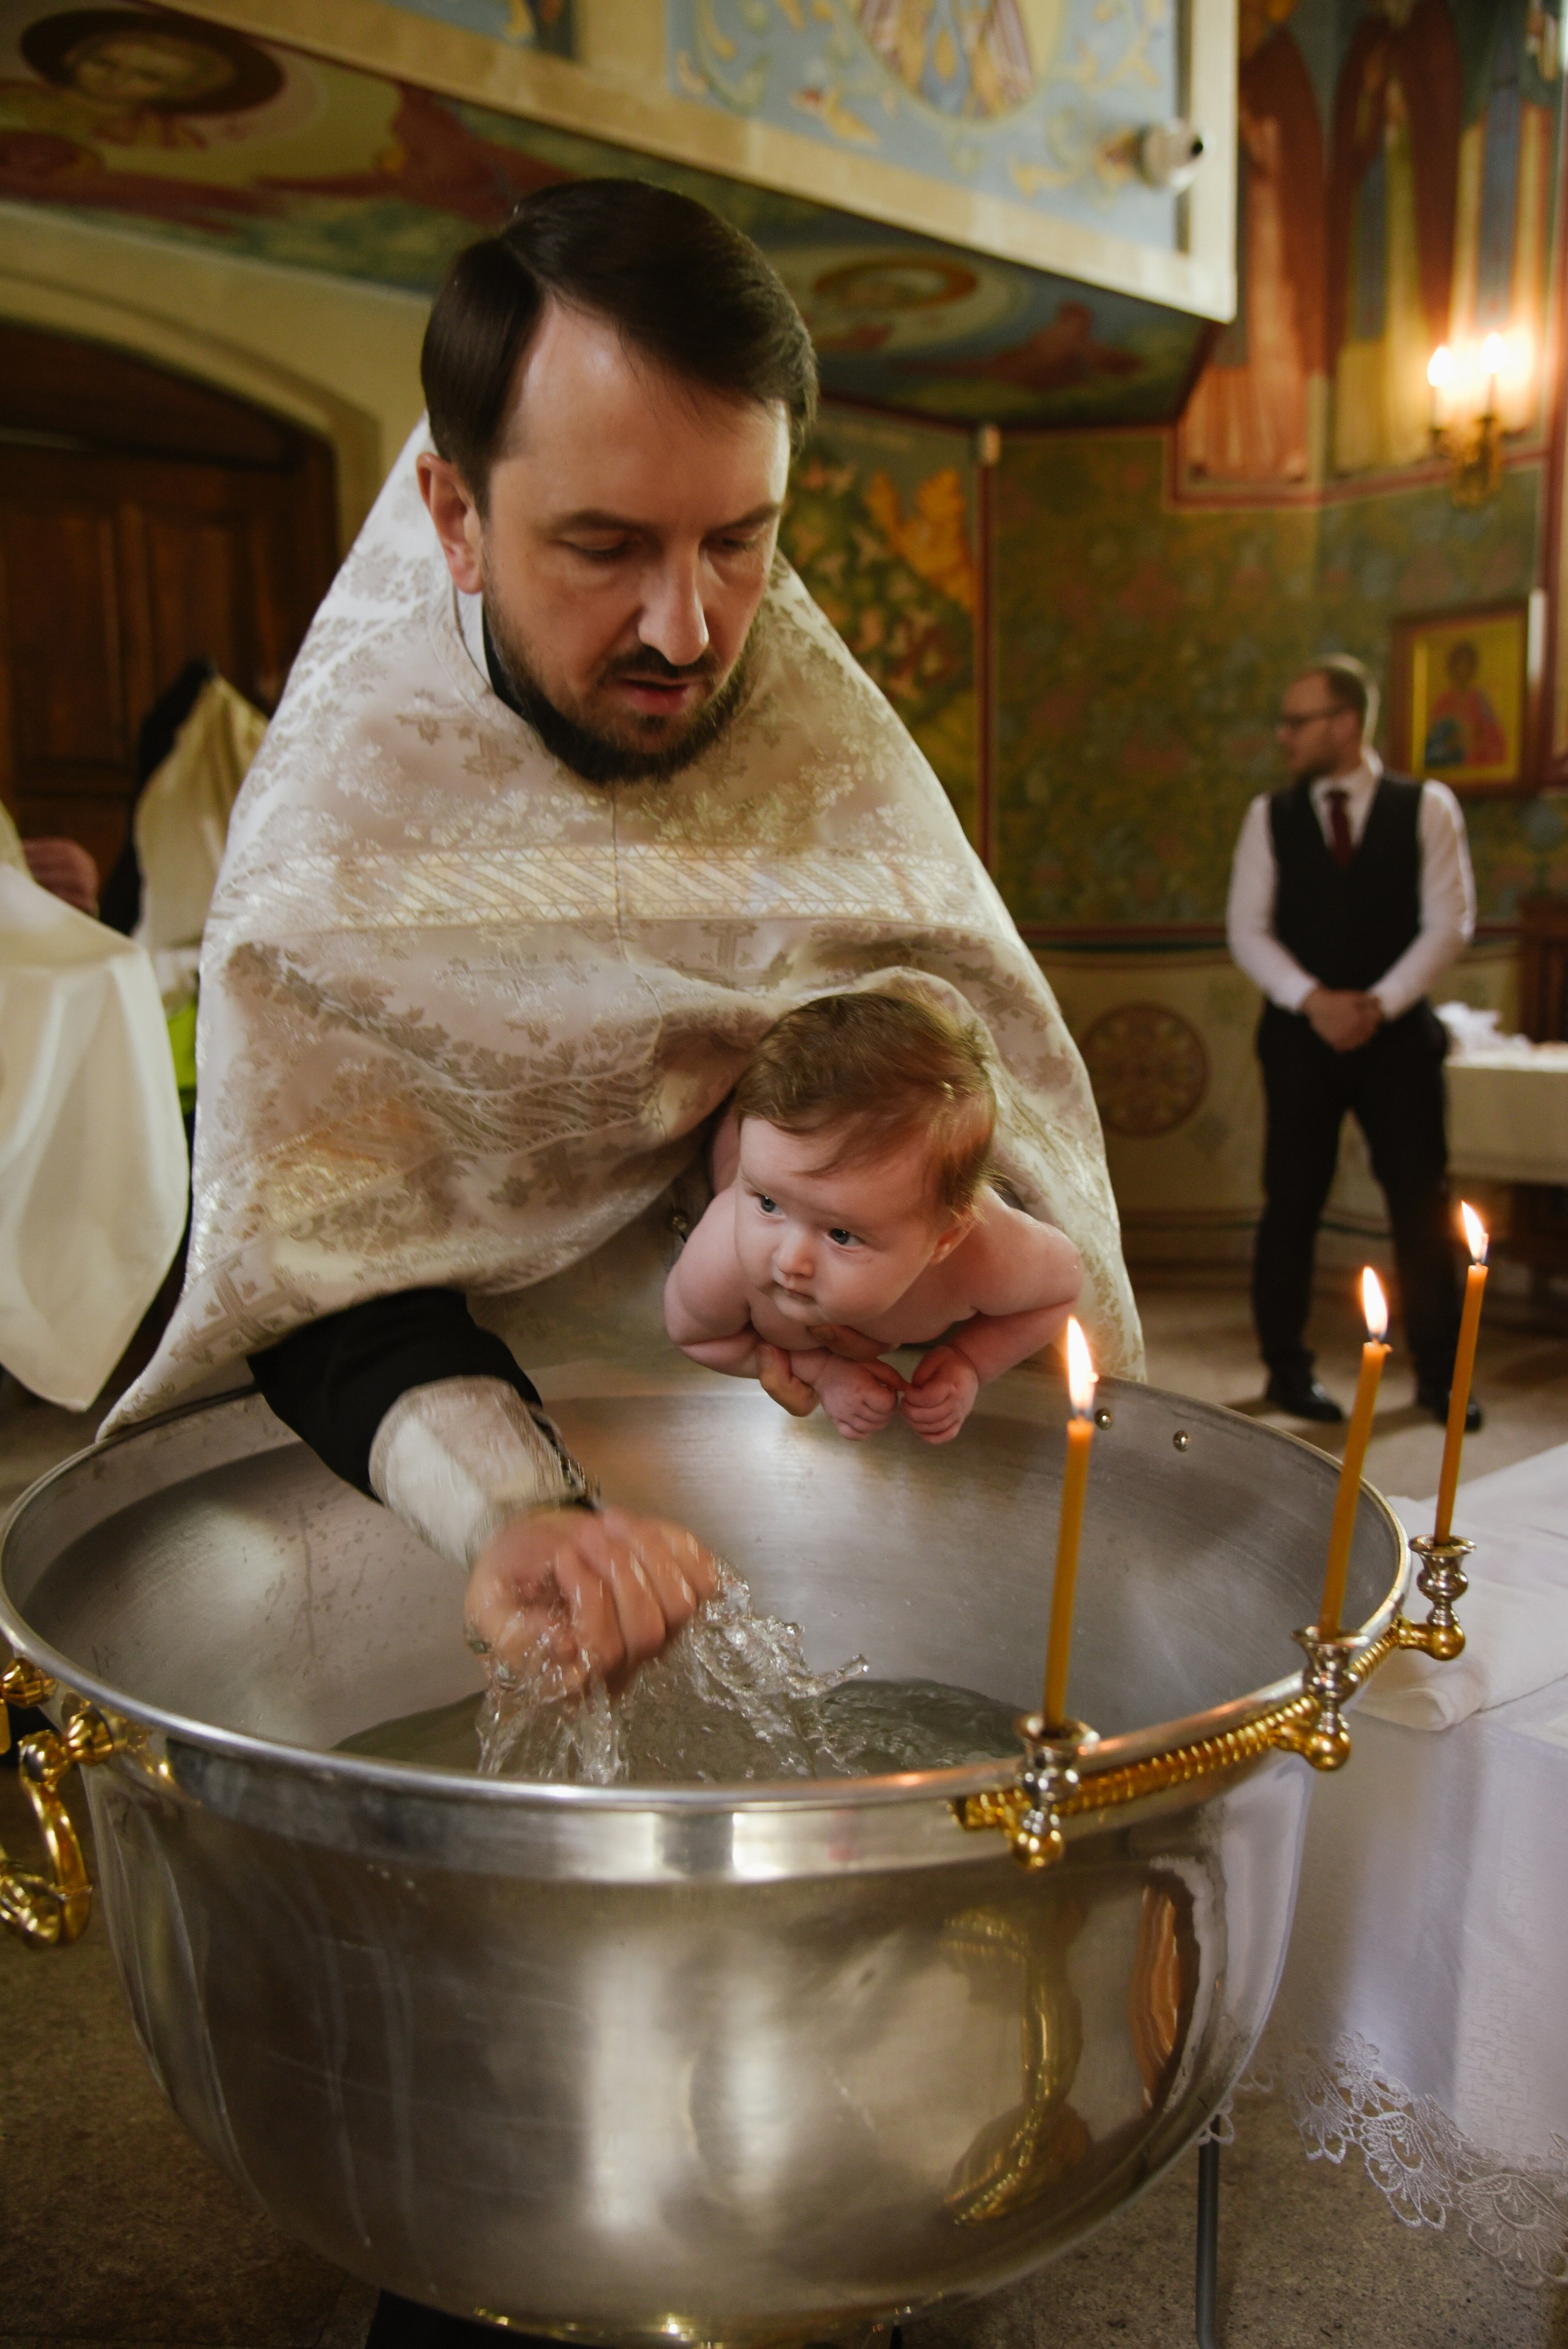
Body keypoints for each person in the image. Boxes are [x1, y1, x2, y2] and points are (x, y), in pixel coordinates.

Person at [108, 179, 1139, 1699]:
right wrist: (509, 1508)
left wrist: (862, 1232)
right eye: (603, 546)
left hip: (832, 1482)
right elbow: (316, 1265)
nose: (686, 630)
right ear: (456, 518)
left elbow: (987, 1102)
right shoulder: (341, 820)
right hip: (464, 1507)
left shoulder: (808, 732)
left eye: (740, 542)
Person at [1226, 654, 1477, 1427]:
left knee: (1420, 1201)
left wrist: (1377, 1003)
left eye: (1298, 721)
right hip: (1299, 1039)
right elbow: (1247, 929)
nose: (1285, 735)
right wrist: (1315, 1002)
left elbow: (1450, 921)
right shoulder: (1270, 815)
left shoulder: (1425, 806)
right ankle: (1286, 1370)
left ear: (1345, 722)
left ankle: (1440, 1376)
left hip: (1399, 1040)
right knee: (1290, 1199)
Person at [664, 992, 1083, 1441]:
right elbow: (694, 1335)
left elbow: (1062, 1288)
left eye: (841, 1234)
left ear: (944, 1239)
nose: (789, 1261)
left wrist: (972, 1361)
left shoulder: (985, 1256)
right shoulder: (724, 1251)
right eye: (768, 1204)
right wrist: (820, 1370)